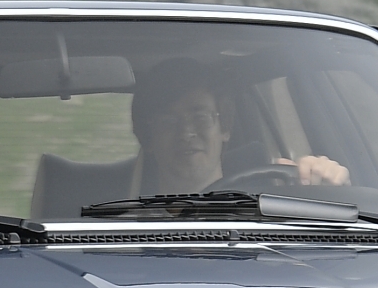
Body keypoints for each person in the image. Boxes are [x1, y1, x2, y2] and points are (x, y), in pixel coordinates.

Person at [129, 61, 349, 195]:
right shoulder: (121, 227)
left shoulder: (277, 203)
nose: (186, 133)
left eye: (200, 118)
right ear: (148, 137)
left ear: (224, 127)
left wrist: (329, 185)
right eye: (168, 122)